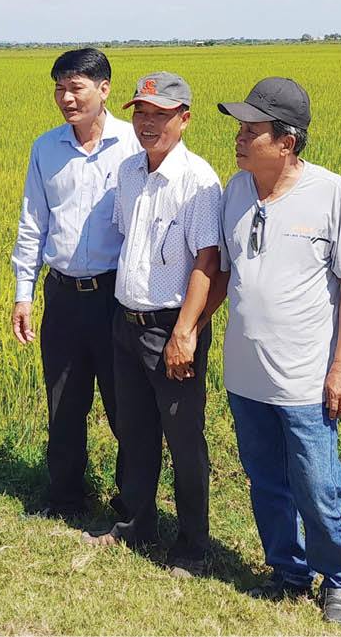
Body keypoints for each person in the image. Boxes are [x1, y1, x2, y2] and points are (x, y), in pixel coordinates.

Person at [215, 77, 341, 622]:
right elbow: (222, 271)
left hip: (306, 378)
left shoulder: (331, 192)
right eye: (239, 128)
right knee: (265, 480)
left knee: (317, 482)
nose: (238, 139)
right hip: (246, 374)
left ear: (287, 141)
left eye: (251, 130)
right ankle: (287, 569)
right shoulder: (235, 190)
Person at [82, 72, 223, 578]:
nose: (147, 123)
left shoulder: (199, 181)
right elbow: (129, 241)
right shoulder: (128, 172)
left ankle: (192, 543)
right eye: (141, 112)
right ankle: (138, 523)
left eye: (160, 114)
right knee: (135, 432)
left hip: (171, 327)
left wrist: (186, 332)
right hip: (127, 319)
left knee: (184, 439)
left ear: (184, 119)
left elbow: (210, 262)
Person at [10, 48, 140, 518]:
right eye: (59, 88)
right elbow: (33, 223)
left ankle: (132, 502)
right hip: (62, 294)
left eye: (76, 87)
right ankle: (65, 497)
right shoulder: (46, 148)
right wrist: (24, 292)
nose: (66, 98)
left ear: (104, 90)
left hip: (115, 296)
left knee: (126, 406)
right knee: (64, 402)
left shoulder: (134, 146)